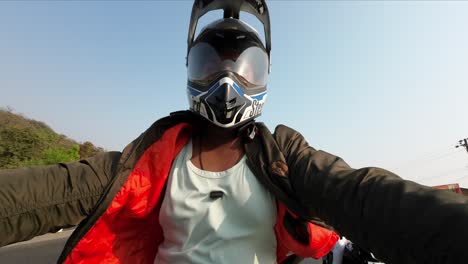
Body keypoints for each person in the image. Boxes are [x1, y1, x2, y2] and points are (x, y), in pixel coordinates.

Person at [1, 1, 468, 263]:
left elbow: (357, 193)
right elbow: (55, 190)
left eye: (246, 68)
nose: (228, 82)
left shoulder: (281, 152)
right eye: (211, 65)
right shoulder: (151, 155)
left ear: (265, 75)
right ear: (191, 71)